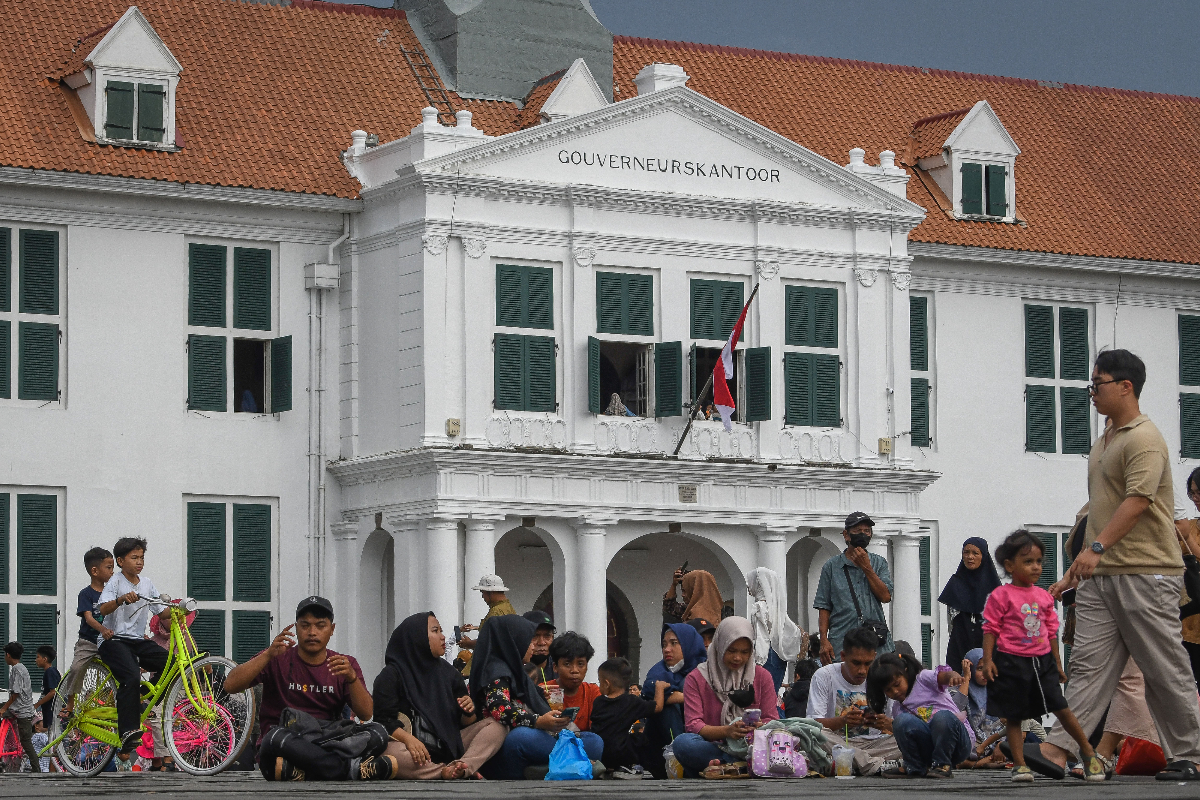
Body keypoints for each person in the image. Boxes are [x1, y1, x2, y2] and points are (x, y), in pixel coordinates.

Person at [1041, 350, 1200, 781]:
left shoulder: (1144, 438)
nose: (1092, 392)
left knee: (1163, 667)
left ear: (1125, 386)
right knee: (1088, 666)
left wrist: (1095, 547)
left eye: (1099, 383)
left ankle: (1191, 753)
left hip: (1145, 571)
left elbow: (1139, 500)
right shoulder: (1105, 439)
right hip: (1102, 575)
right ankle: (1058, 748)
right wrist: (1076, 568)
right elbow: (1101, 508)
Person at [981, 530, 1102, 782]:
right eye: (1028, 562)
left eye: (1038, 561)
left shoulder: (1044, 597)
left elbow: (1050, 632)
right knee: (1014, 715)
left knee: (1062, 708)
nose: (1036, 567)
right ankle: (1020, 765)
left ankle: (1088, 753)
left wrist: (1057, 663)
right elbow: (990, 629)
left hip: (1042, 661)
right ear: (1010, 565)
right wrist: (989, 659)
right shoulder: (1000, 596)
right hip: (1011, 662)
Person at [224, 596, 386, 781]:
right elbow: (230, 685)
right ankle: (347, 769)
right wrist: (268, 654)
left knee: (378, 733)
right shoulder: (277, 656)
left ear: (332, 629)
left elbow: (366, 714)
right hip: (288, 739)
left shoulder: (344, 664)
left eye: (320, 625)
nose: (312, 632)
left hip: (328, 739)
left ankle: (302, 770)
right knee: (273, 737)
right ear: (296, 627)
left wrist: (352, 678)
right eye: (305, 625)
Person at [373, 612, 505, 780]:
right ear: (417, 637)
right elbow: (383, 722)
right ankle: (443, 771)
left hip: (450, 746)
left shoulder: (450, 674)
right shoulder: (391, 675)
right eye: (435, 631)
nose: (442, 637)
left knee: (497, 726)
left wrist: (468, 711)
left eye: (441, 631)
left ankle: (463, 765)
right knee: (389, 753)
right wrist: (409, 740)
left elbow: (464, 724)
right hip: (414, 752)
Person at [470, 615, 603, 779]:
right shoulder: (497, 673)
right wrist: (538, 721)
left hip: (539, 738)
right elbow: (501, 710)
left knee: (595, 742)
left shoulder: (517, 673)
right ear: (514, 642)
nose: (535, 645)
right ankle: (566, 764)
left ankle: (554, 766)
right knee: (519, 739)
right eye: (529, 640)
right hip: (507, 746)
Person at [96, 536, 173, 764]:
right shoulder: (115, 582)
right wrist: (121, 600)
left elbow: (163, 614)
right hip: (114, 640)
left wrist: (179, 609)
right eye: (134, 558)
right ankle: (128, 732)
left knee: (171, 663)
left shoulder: (147, 583)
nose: (139, 562)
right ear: (120, 561)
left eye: (142, 558)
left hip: (137, 640)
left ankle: (143, 700)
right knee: (130, 675)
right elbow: (103, 608)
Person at [673, 616, 778, 777]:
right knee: (683, 743)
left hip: (752, 746)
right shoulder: (697, 678)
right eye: (731, 650)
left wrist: (758, 727)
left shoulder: (762, 677)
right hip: (715, 746)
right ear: (720, 646)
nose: (738, 658)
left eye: (744, 652)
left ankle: (723, 766)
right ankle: (737, 764)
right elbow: (693, 725)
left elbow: (772, 719)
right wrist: (727, 732)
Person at [806, 626, 900, 776]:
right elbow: (814, 723)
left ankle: (850, 762)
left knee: (911, 735)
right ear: (843, 656)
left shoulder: (882, 677)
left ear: (874, 657)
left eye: (868, 663)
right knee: (810, 732)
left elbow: (896, 726)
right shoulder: (824, 675)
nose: (862, 670)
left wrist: (886, 723)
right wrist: (842, 721)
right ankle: (873, 764)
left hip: (875, 744)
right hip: (837, 742)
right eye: (856, 663)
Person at [866, 652, 972, 778]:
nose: (895, 691)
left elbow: (941, 676)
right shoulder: (897, 707)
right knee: (900, 721)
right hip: (930, 749)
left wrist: (952, 675)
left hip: (957, 744)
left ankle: (942, 765)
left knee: (942, 717)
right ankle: (915, 767)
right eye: (888, 690)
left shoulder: (922, 679)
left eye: (897, 684)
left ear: (905, 672)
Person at [814, 512, 894, 663]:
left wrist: (867, 568)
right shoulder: (831, 567)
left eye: (867, 531)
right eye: (857, 531)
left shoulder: (879, 563)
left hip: (875, 640)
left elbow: (885, 596)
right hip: (841, 640)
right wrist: (823, 639)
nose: (863, 535)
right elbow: (823, 605)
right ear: (846, 535)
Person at [590, 657, 668, 773]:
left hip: (600, 752)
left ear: (606, 684)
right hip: (621, 754)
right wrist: (660, 688)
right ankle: (649, 767)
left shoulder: (598, 702)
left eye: (599, 681)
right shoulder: (631, 701)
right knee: (641, 738)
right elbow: (657, 707)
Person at [61, 547, 114, 703]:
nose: (112, 572)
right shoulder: (86, 593)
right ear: (95, 571)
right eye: (109, 568)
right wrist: (103, 629)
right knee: (76, 668)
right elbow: (89, 618)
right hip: (88, 642)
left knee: (124, 666)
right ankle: (70, 702)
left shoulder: (112, 593)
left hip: (107, 642)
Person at [938, 537, 1002, 667]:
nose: (970, 557)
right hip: (960, 643)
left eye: (975, 553)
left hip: (988, 645)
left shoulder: (995, 589)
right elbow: (951, 622)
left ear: (983, 556)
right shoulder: (956, 584)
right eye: (966, 552)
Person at [746, 567, 808, 692]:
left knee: (762, 696)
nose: (748, 586)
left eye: (751, 582)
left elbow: (761, 637)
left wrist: (756, 663)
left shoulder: (759, 607)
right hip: (778, 655)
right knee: (772, 695)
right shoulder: (777, 608)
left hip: (765, 656)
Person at [456, 574, 516, 676]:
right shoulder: (506, 608)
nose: (483, 597)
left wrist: (469, 643)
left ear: (490, 593)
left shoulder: (496, 612)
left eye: (483, 593)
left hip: (491, 669)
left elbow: (492, 642)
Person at [959, 648, 1007, 766]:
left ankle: (976, 763)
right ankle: (981, 762)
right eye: (980, 668)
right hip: (972, 739)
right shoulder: (961, 687)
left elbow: (1005, 722)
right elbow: (958, 706)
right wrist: (966, 678)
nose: (985, 672)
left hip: (996, 737)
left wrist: (1001, 744)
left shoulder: (997, 689)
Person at [1175, 465, 1200, 682]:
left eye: (1199, 492)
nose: (1195, 498)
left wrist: (1188, 540)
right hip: (1187, 626)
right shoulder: (1188, 526)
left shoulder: (1188, 531)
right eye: (1192, 493)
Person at [545, 631, 599, 731]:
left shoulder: (592, 692)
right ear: (555, 667)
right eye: (567, 664)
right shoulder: (544, 690)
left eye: (580, 664)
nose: (574, 670)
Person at [0, 642, 40, 773]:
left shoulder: (17, 669)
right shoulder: (20, 668)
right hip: (18, 708)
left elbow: (16, 693)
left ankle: (36, 769)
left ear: (8, 655)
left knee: (26, 742)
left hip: (22, 711)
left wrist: (4, 708)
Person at [522, 610, 556, 684]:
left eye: (547, 636)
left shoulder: (558, 668)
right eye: (534, 636)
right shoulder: (512, 671)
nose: (541, 643)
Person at [33, 646, 60, 731]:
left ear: (45, 659)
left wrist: (37, 704)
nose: (36, 660)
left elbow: (53, 692)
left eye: (38, 657)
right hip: (49, 710)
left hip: (52, 710)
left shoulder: (50, 672)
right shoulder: (53, 671)